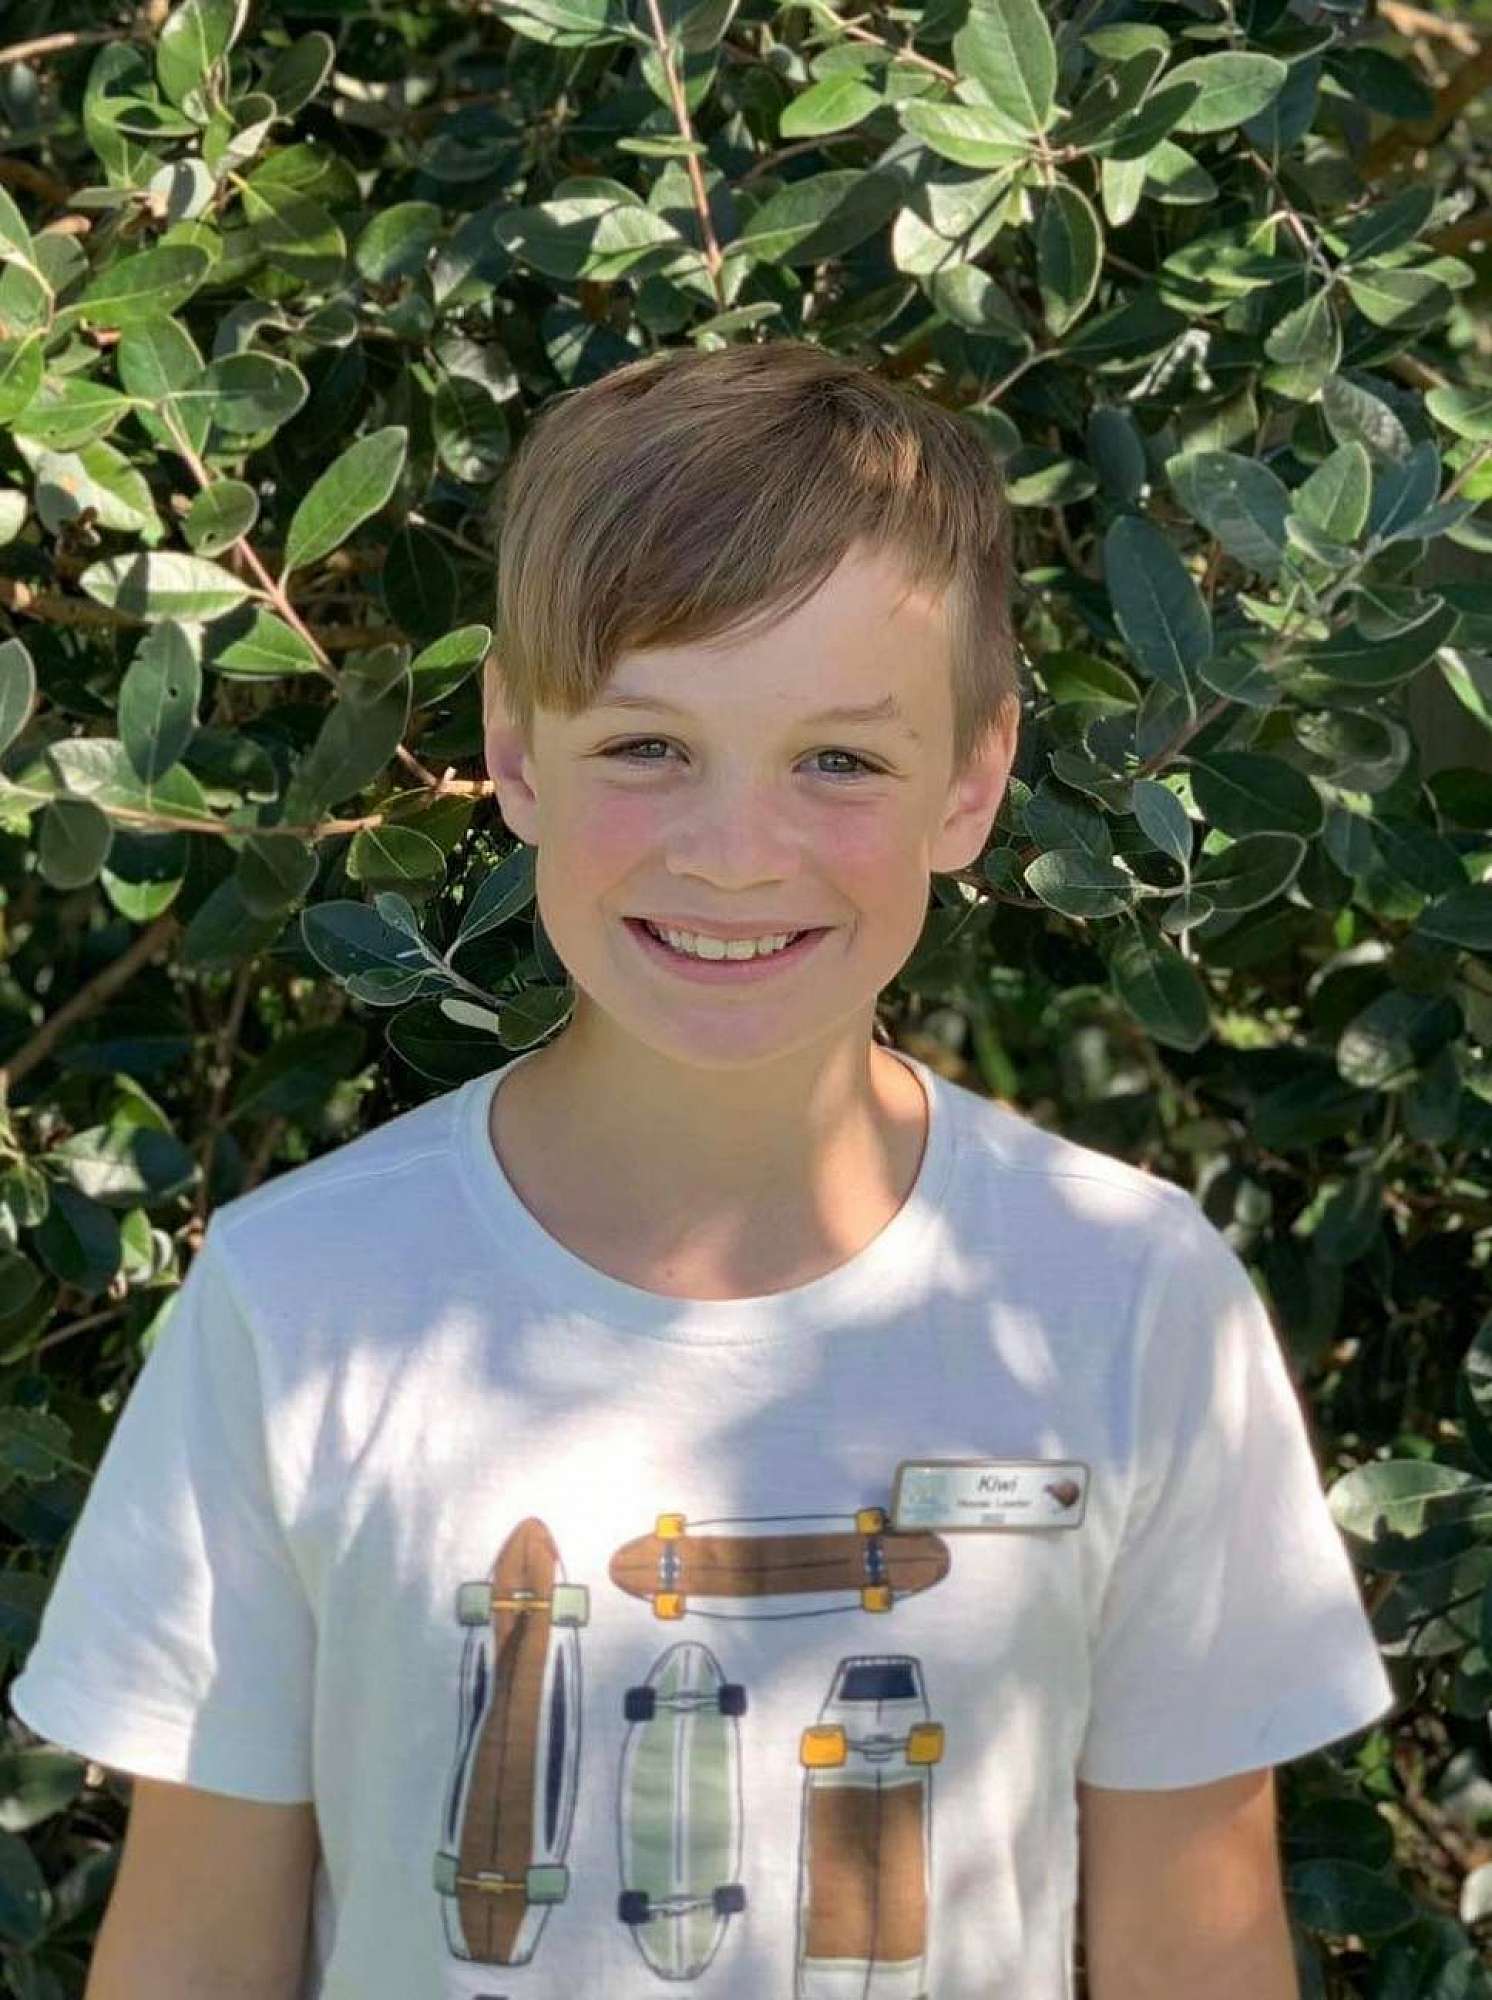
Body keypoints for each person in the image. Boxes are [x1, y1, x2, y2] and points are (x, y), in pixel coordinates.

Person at [7, 338, 1394, 2000]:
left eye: (839, 760)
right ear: (519, 751)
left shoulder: (1129, 1298)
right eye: (649, 747)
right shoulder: (300, 1299)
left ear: (972, 781)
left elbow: (1201, 1953)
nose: (737, 853)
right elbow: (192, 1951)